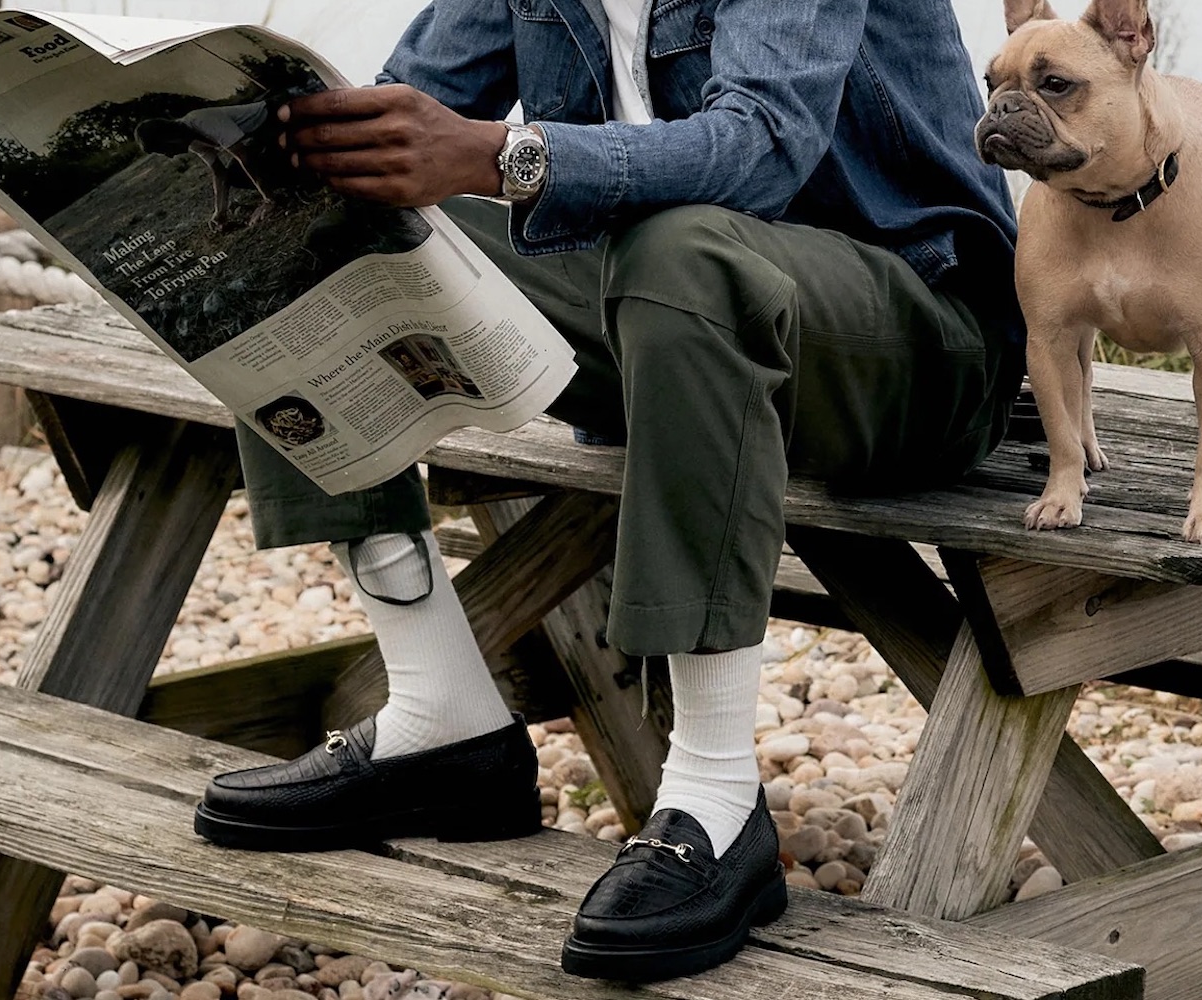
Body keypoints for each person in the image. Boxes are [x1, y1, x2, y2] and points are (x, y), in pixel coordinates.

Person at [192, 0, 1023, 983]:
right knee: (305, 220)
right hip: (664, 313)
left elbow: (762, 144)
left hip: (915, 330)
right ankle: (440, 715)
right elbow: (403, 121)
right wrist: (273, 145)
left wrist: (501, 156)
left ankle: (716, 800)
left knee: (685, 254)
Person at [135, 100, 282, 231]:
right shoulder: (192, 142)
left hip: (273, 117)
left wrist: (267, 199)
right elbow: (219, 172)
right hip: (258, 137)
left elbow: (243, 155)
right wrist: (220, 212)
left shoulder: (199, 121)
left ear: (169, 138)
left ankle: (281, 188)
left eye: (165, 150)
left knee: (254, 162)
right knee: (235, 176)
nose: (170, 155)